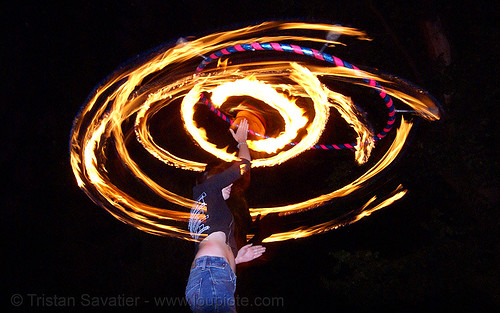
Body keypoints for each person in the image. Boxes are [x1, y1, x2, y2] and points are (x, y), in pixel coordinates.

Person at [185, 118, 266, 312]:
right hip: (212, 274)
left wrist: (235, 258)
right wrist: (242, 142)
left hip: (211, 275)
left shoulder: (207, 206)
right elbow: (242, 166)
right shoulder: (208, 189)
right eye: (226, 181)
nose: (231, 184)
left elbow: (208, 244)